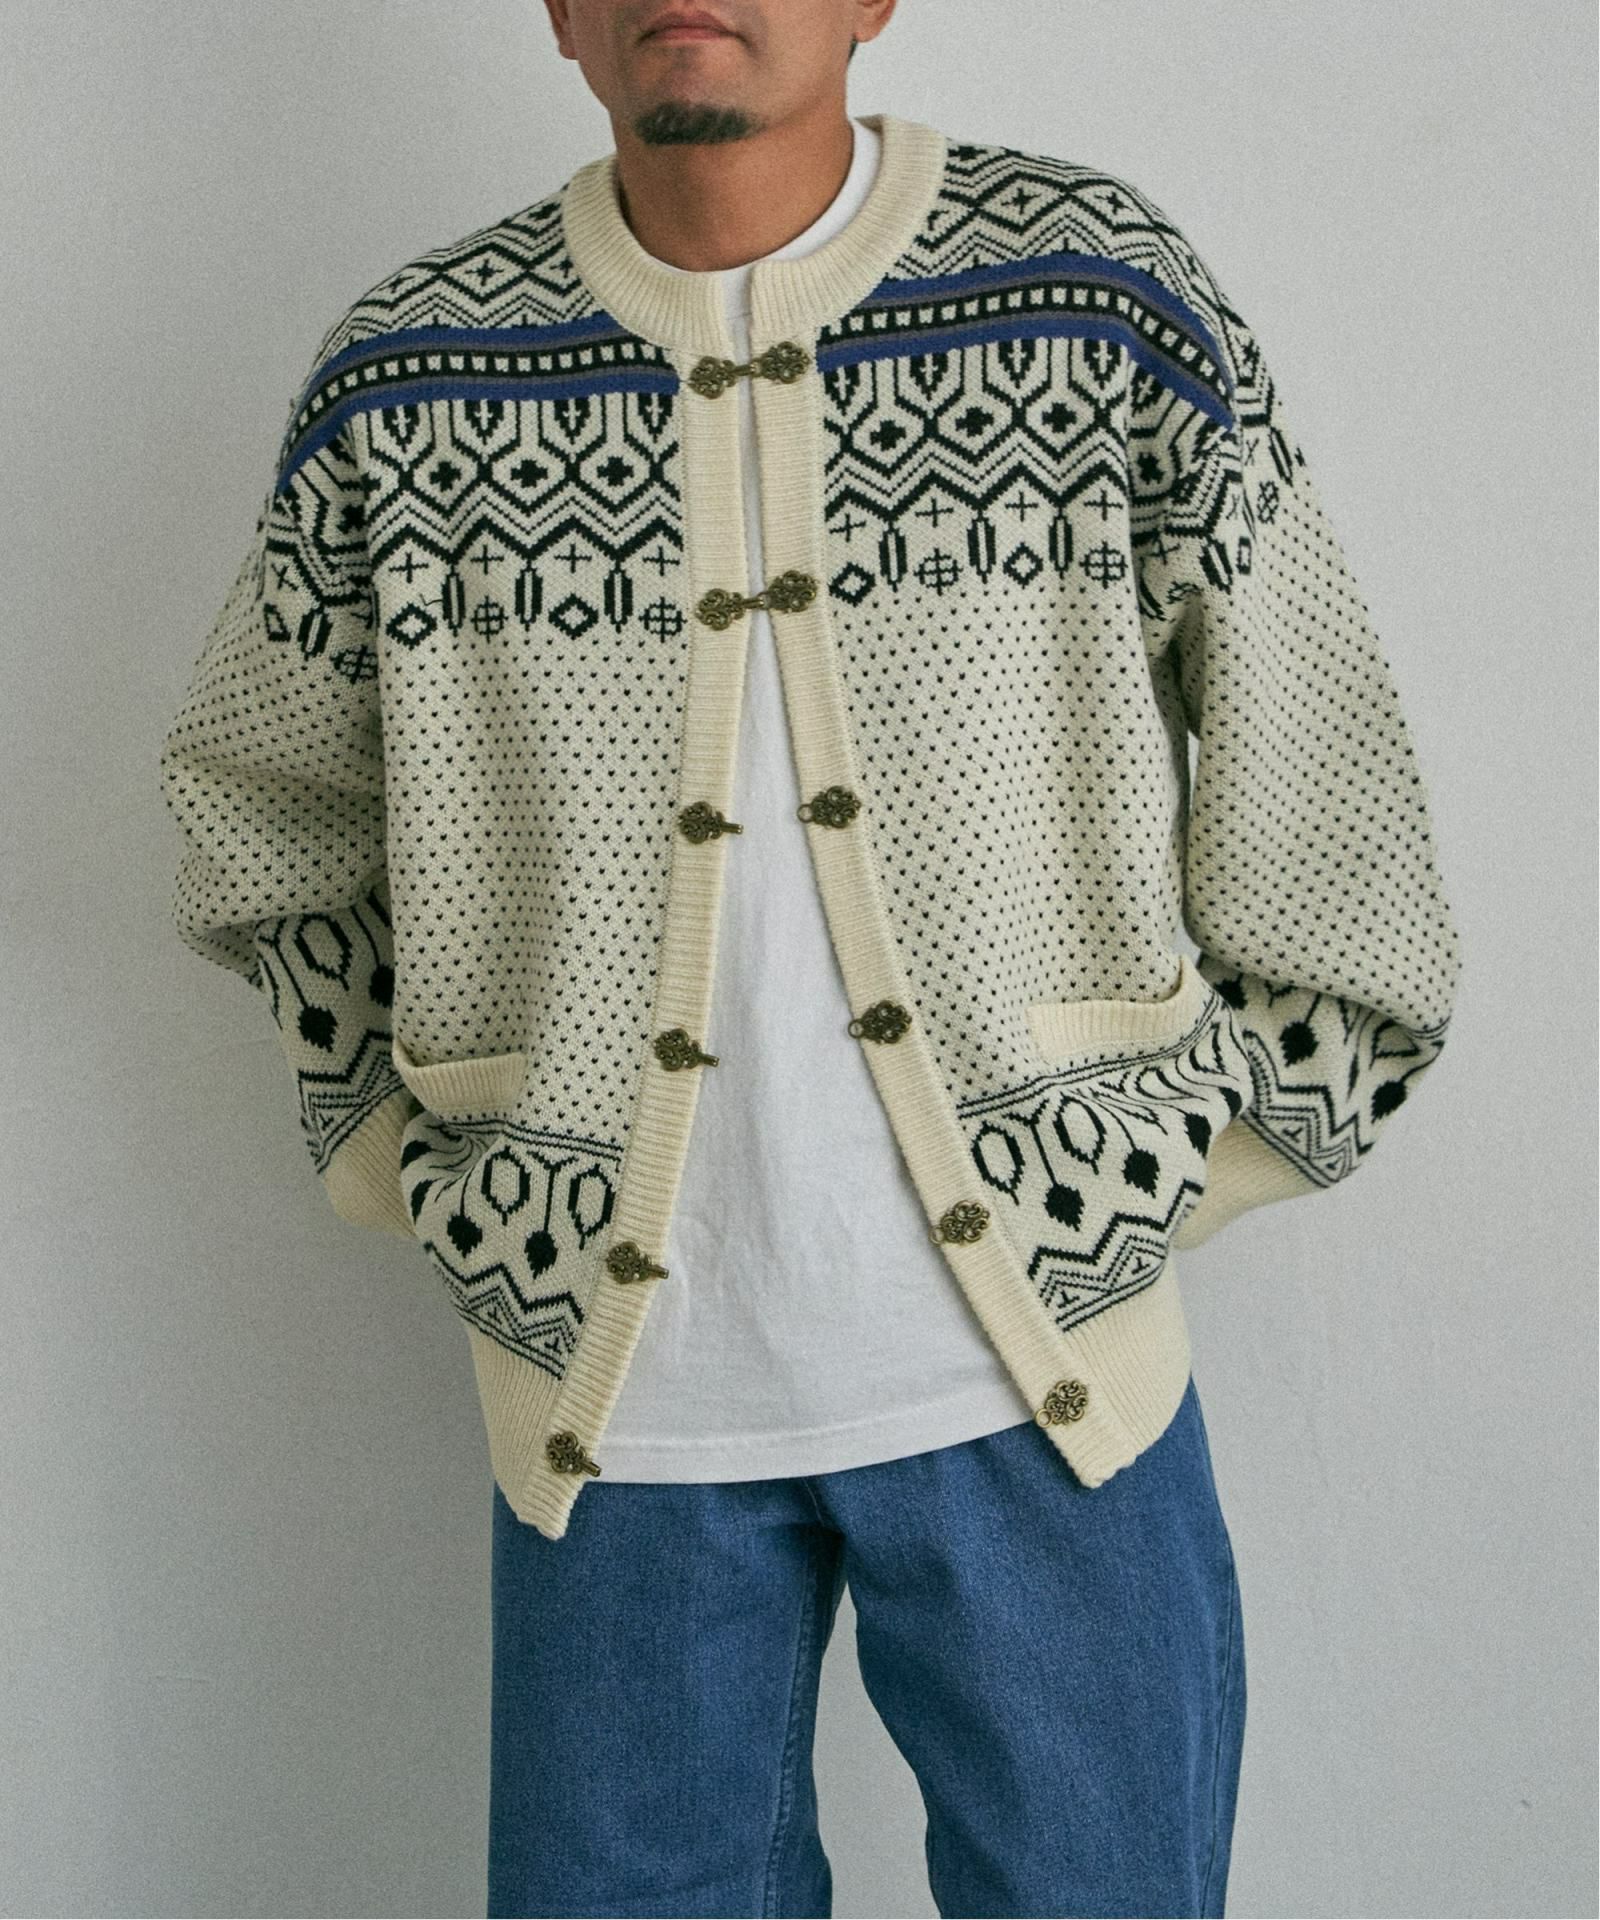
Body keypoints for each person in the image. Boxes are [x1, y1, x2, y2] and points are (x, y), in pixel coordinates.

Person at [156, 2, 1463, 1913]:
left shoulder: (1092, 304)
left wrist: (1166, 1165)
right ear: (557, 8)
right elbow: (256, 808)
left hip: (1047, 1389)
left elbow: (1325, 780)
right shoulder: (411, 379)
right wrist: (421, 1161)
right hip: (618, 1413)